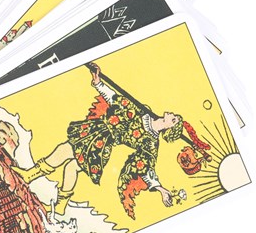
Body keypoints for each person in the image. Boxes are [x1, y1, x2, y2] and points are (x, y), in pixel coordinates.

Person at [12, 63, 186, 220]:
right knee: (71, 166)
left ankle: (30, 176)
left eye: (174, 120)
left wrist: (161, 190)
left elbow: (147, 168)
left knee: (64, 151)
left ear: (169, 128)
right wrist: (98, 83)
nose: (172, 115)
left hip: (101, 144)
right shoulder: (144, 111)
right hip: (95, 130)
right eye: (175, 116)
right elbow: (116, 100)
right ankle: (60, 206)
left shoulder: (151, 143)